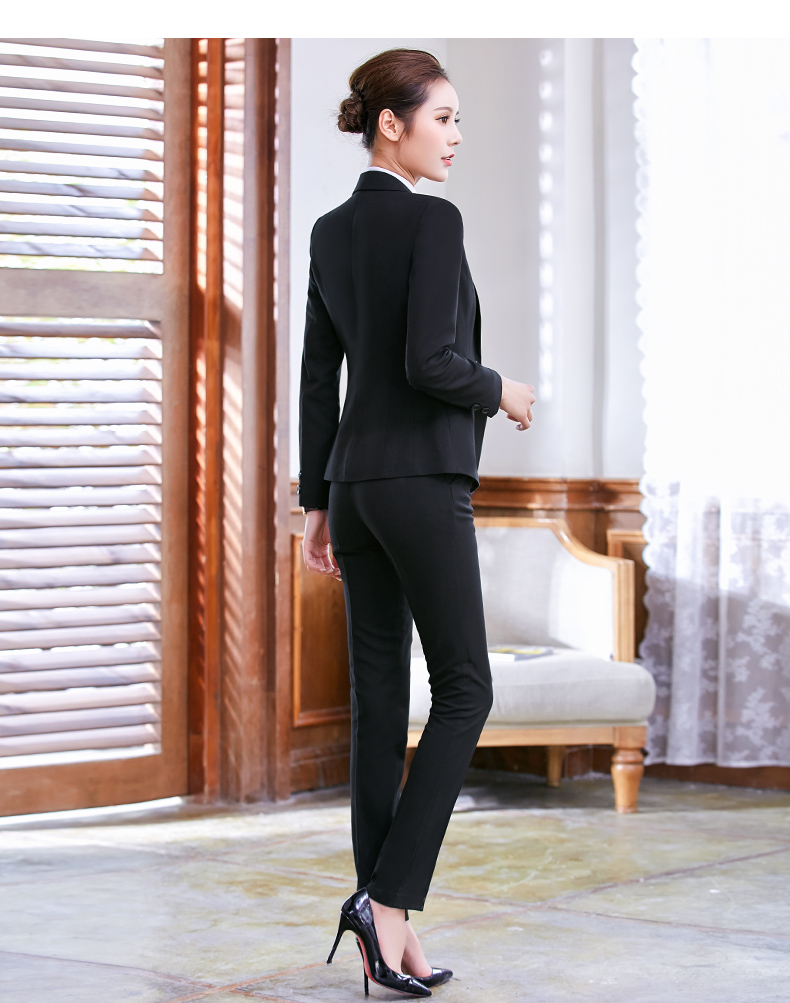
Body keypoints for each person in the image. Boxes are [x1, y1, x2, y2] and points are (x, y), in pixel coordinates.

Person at [298, 47, 536, 997]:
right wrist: (502, 389)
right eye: (444, 118)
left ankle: (382, 927)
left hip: (355, 488)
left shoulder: (328, 231)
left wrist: (316, 503)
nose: (457, 137)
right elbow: (432, 361)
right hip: (421, 483)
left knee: (378, 705)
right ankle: (389, 900)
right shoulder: (434, 219)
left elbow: (319, 378)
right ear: (390, 125)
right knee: (467, 689)